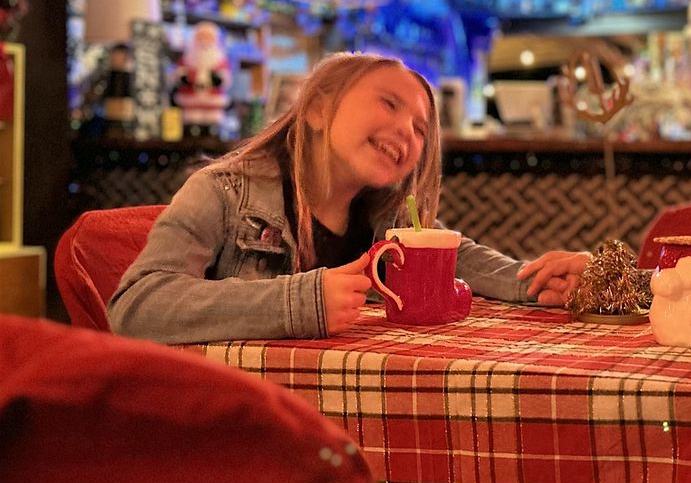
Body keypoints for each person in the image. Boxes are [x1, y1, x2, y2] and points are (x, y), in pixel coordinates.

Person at [110, 52, 588, 344]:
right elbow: (136, 307)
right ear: (318, 109)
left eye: (422, 129)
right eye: (389, 103)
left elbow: (470, 264)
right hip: (230, 431)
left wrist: (545, 281)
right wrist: (301, 303)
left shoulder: (391, 220)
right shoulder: (222, 193)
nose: (407, 131)